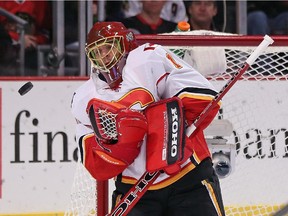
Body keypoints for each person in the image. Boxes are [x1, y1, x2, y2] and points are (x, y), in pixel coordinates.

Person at [71, 21, 225, 215]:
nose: (104, 56)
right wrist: (123, 145)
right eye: (97, 52)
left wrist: (165, 130)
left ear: (125, 44)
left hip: (188, 177)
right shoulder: (85, 98)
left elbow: (204, 98)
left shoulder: (148, 58)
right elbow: (95, 164)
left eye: (108, 48)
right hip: (135, 190)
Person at [0, 0, 52, 76]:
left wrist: (35, 40)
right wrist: (17, 38)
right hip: (5, 50)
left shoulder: (41, 3)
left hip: (32, 51)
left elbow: (46, 30)